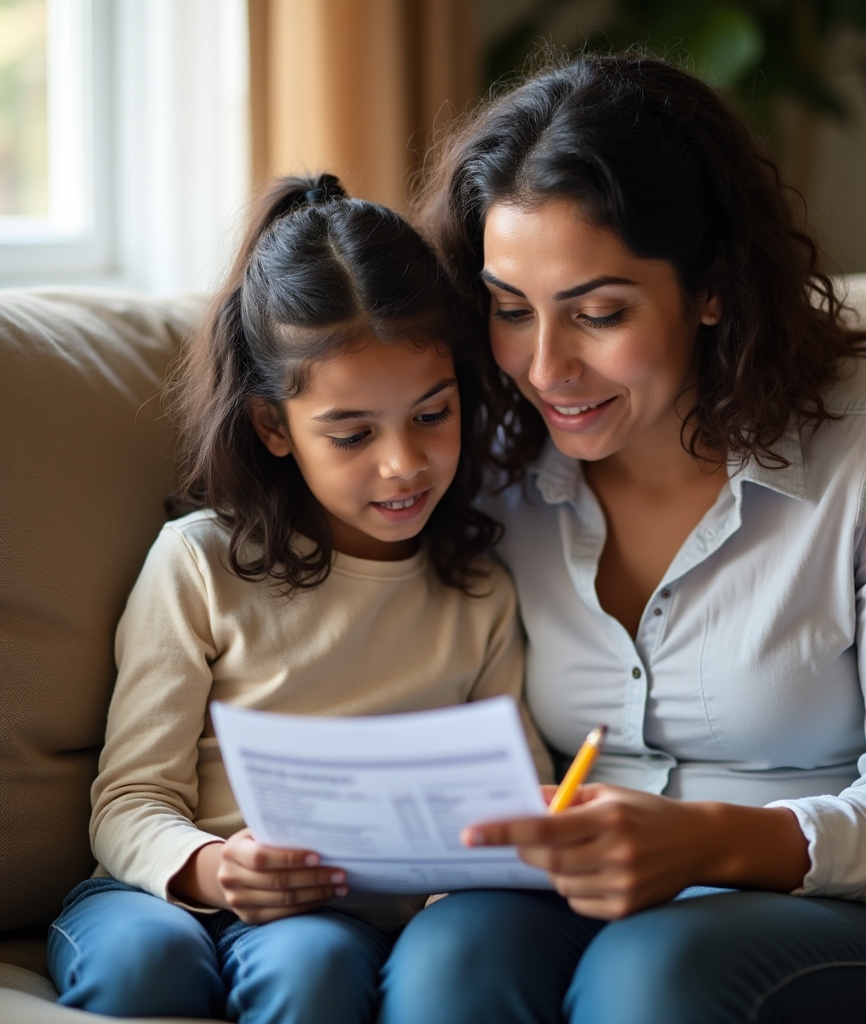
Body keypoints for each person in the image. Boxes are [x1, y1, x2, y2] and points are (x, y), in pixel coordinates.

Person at [378, 53, 866, 1023]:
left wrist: (710, 843)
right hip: (593, 893)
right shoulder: (493, 456)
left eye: (598, 313)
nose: (544, 366)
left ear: (711, 286)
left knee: (653, 977)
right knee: (448, 961)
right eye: (511, 311)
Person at [45, 173, 551, 1024]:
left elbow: (513, 795)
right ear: (275, 428)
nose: (404, 463)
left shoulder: (477, 593)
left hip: (327, 921)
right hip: (163, 892)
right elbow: (130, 800)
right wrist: (209, 867)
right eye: (352, 434)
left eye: (433, 414)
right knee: (146, 962)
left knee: (313, 964)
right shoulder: (201, 564)